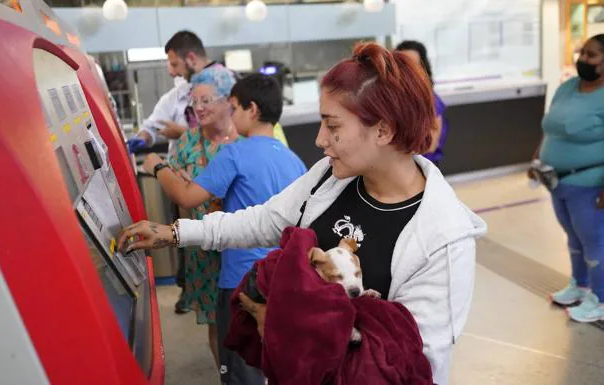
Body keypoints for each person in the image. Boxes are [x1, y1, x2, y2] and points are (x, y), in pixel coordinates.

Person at [118, 43, 486, 385]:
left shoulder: (442, 238)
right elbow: (264, 220)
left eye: (333, 125)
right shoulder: (330, 177)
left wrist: (285, 330)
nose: (320, 139)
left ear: (384, 130)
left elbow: (410, 365)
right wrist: (175, 233)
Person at [140, 73, 307, 385]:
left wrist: (157, 167)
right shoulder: (293, 160)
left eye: (234, 107)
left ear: (252, 109)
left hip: (240, 279)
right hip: (282, 277)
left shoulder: (234, 153)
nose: (231, 114)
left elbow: (186, 197)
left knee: (241, 368)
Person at [142, 64, 238, 372]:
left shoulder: (246, 139)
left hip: (242, 244)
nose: (198, 108)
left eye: (206, 100)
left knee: (250, 317)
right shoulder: (187, 142)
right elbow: (181, 197)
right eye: (194, 102)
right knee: (215, 322)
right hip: (203, 248)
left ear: (228, 101)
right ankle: (226, 375)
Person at [530, 34, 604, 323]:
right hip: (557, 181)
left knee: (595, 240)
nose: (583, 60)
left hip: (589, 182)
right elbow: (550, 127)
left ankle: (600, 298)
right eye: (583, 53)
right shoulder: (568, 87)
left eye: (592, 55)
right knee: (573, 236)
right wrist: (537, 158)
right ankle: (580, 285)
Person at [395, 40, 448, 167]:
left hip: (422, 167)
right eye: (402, 64)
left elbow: (431, 145)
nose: (407, 70)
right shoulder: (392, 98)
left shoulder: (431, 101)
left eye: (413, 64)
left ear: (422, 68)